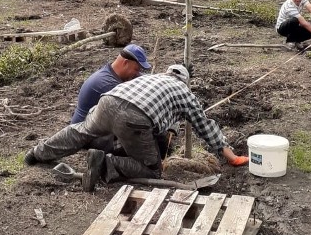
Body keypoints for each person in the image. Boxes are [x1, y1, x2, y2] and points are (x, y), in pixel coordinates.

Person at [77, 64, 249, 191]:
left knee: (136, 133)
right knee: (153, 171)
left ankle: (104, 153)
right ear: (185, 83)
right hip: (131, 126)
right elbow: (205, 126)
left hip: (101, 121)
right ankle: (106, 162)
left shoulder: (145, 80)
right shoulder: (183, 92)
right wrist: (231, 157)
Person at [23, 44, 151, 165]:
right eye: (136, 69)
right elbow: (136, 107)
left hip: (97, 125)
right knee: (138, 139)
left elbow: (140, 78)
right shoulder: (107, 84)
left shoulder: (112, 72)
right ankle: (105, 164)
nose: (137, 73)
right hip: (88, 135)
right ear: (125, 63)